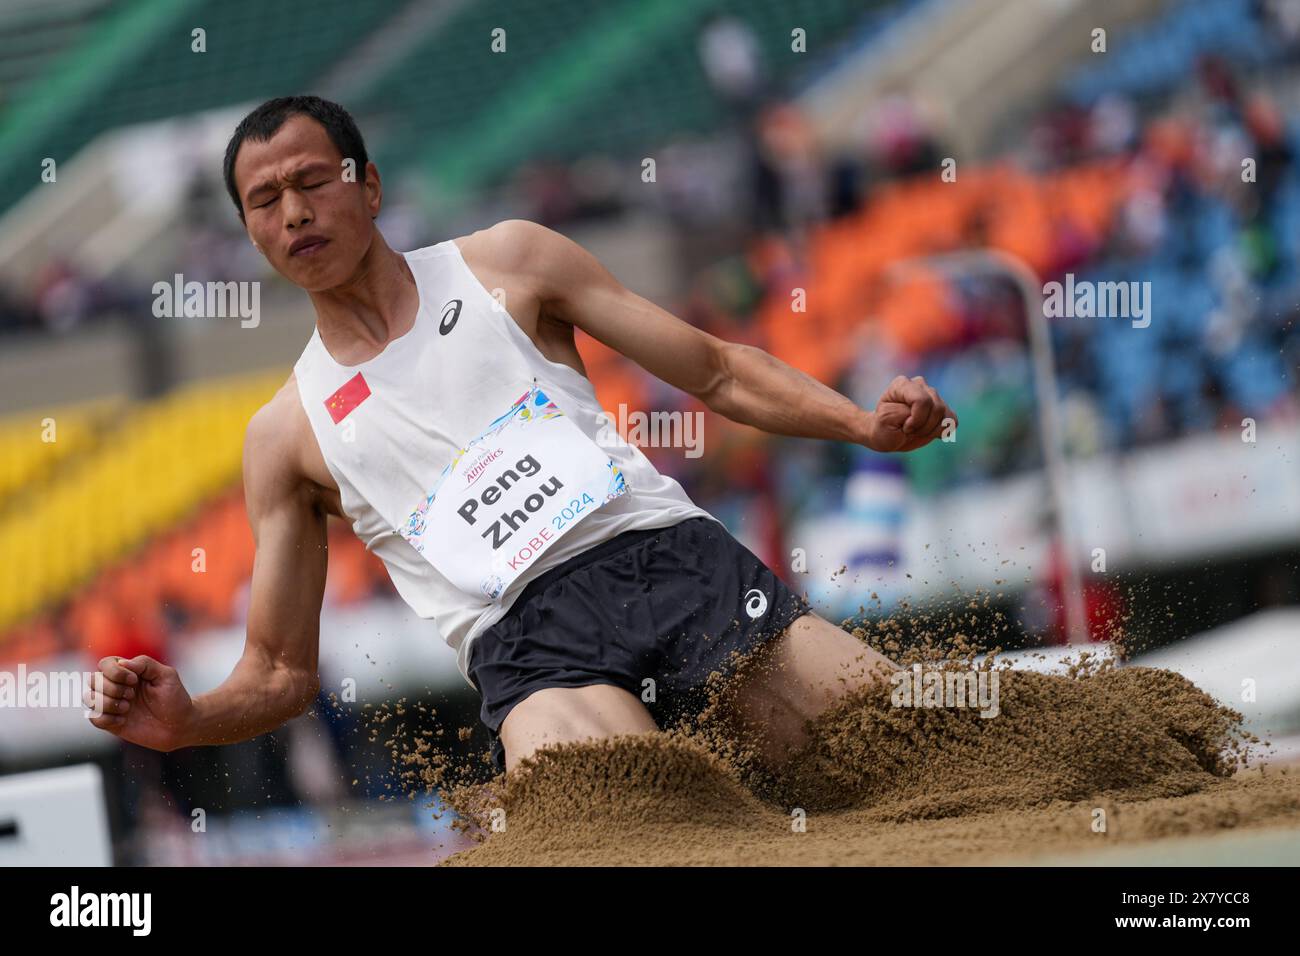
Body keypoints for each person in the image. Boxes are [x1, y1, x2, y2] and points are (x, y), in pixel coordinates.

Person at [85, 96, 957, 775]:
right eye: (264, 201)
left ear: (370, 186)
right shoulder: (285, 435)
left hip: (666, 559)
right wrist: (190, 719)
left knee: (909, 749)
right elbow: (278, 670)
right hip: (532, 648)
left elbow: (717, 370)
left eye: (313, 182)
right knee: (622, 821)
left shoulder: (509, 262)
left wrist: (861, 425)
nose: (294, 213)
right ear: (249, 233)